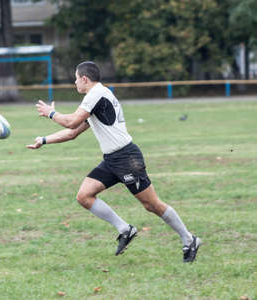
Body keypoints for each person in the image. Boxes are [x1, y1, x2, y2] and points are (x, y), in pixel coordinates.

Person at [26, 61, 201, 263]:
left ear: (84, 79)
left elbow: (72, 121)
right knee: (84, 196)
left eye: (76, 79)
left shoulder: (95, 94)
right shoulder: (96, 98)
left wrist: (50, 113)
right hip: (112, 159)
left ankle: (189, 240)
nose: (75, 83)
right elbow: (73, 132)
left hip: (126, 158)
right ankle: (125, 229)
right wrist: (44, 140)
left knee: (152, 205)